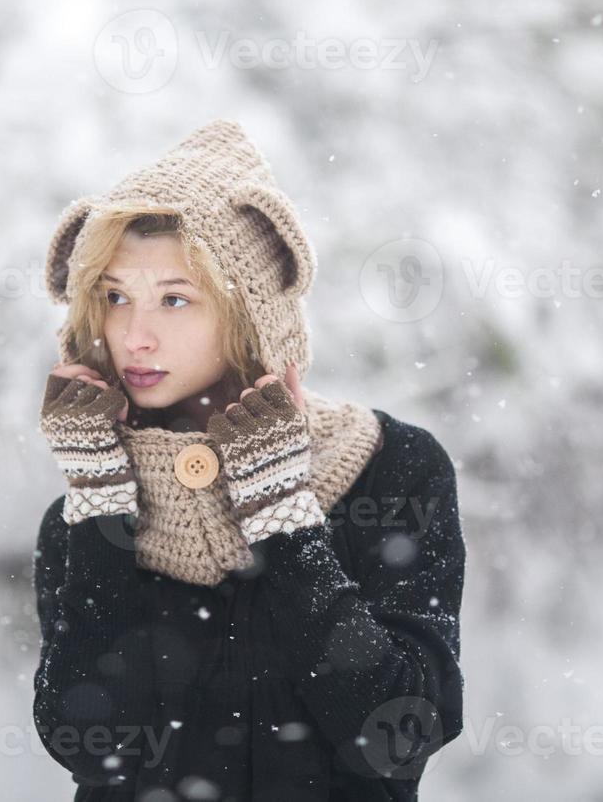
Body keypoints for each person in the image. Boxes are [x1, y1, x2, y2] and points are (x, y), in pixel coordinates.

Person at [31, 120, 466, 800]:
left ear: (252, 317)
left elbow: (399, 735)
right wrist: (101, 504)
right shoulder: (86, 508)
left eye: (175, 299)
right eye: (115, 297)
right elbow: (91, 744)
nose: (135, 336)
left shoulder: (391, 469)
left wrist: (283, 513)